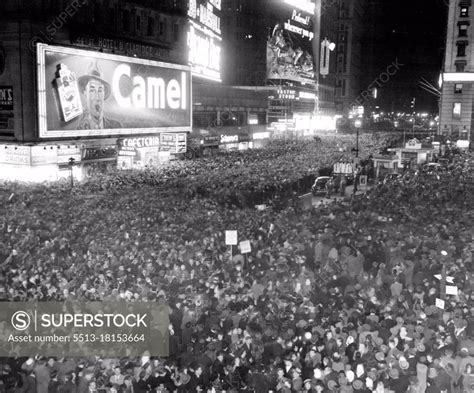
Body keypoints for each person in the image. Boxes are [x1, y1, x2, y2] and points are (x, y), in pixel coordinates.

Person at [75, 60, 121, 130]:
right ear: (85, 94)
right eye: (92, 90)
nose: (97, 97)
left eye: (100, 90)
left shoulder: (116, 126)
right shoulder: (79, 130)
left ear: (104, 94)